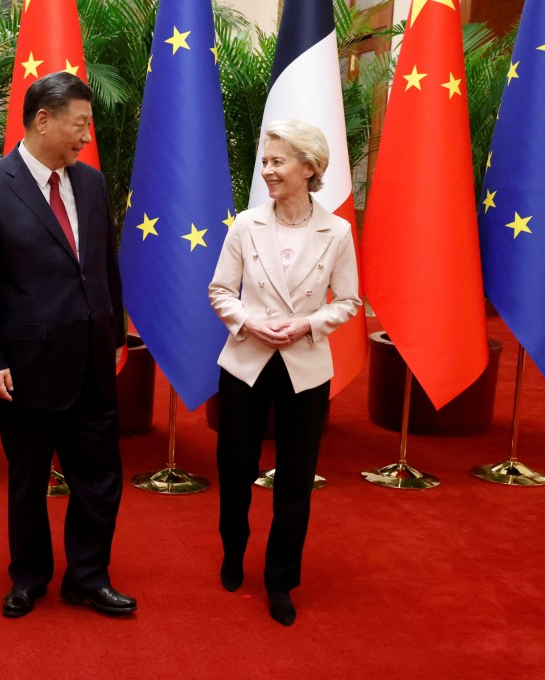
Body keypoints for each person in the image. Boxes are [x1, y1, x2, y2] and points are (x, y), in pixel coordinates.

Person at [0, 71, 135, 619]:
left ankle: (88, 576)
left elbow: (104, 264)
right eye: (79, 123)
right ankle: (29, 577)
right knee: (28, 481)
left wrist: (115, 330)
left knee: (100, 479)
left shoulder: (91, 182)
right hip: (26, 367)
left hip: (92, 361)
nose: (86, 136)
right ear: (43, 119)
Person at [208, 120, 361, 626]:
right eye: (266, 161)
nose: (268, 170)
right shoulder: (245, 225)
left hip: (305, 370)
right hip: (246, 364)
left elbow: (351, 301)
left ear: (309, 168)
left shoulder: (337, 231)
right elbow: (220, 292)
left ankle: (280, 579)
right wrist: (250, 322)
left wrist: (309, 324)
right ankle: (233, 552)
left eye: (277, 161)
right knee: (235, 469)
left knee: (295, 480)